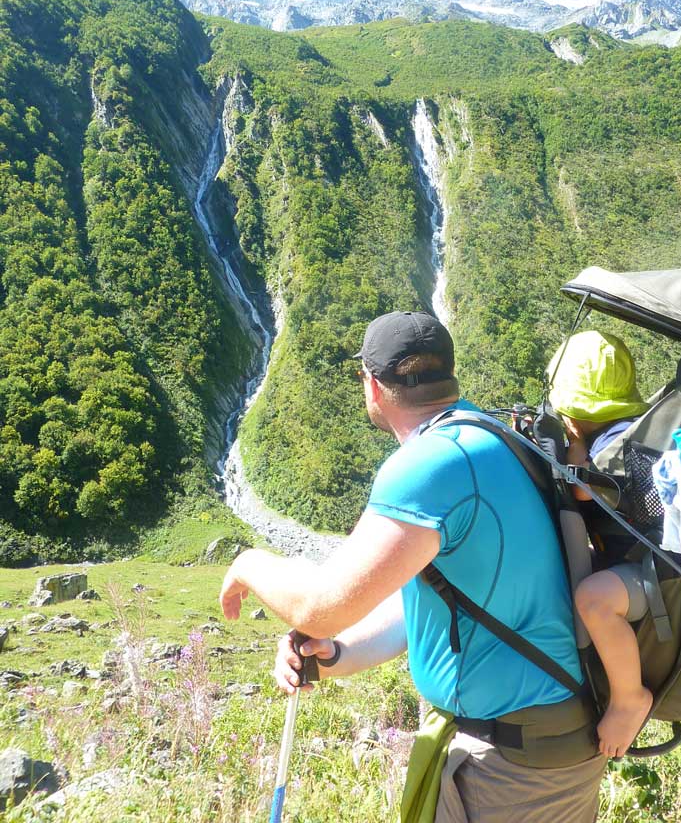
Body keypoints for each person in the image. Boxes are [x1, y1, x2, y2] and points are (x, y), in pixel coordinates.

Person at [220, 311, 605, 822]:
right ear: (449, 374)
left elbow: (317, 607)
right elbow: (436, 604)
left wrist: (248, 562)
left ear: (372, 386)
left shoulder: (431, 464)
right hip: (546, 746)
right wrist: (336, 653)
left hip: (508, 768)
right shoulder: (492, 437)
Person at [546, 330, 653, 759]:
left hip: (649, 576)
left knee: (593, 599)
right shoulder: (630, 429)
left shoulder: (612, 444)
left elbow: (582, 491)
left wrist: (572, 444)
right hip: (635, 564)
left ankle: (630, 698)